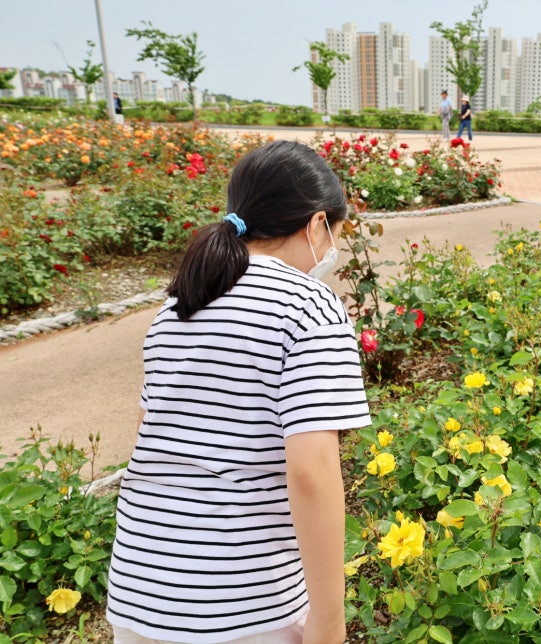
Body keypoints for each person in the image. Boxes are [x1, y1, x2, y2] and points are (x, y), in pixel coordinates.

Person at [106, 140, 371, 644]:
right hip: (244, 607)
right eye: (334, 233)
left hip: (140, 594)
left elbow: (150, 437)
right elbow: (311, 471)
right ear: (316, 226)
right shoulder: (310, 306)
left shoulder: (181, 302)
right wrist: (329, 624)